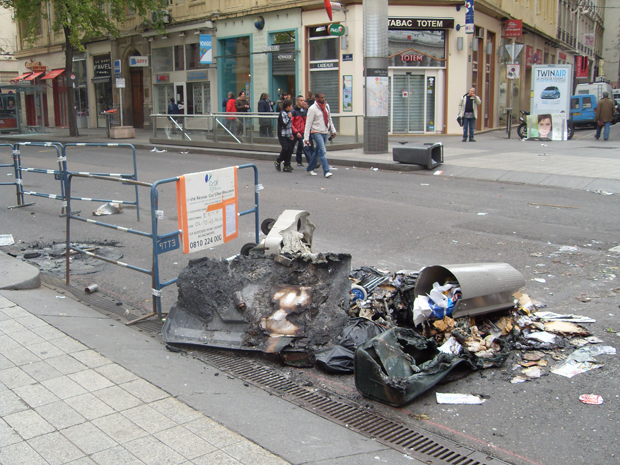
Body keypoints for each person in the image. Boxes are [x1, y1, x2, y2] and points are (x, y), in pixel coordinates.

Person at [303, 92, 337, 178]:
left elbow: (329, 119)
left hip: (325, 131)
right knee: (322, 150)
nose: (323, 99)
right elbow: (308, 124)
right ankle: (326, 171)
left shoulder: (326, 106)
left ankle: (310, 168)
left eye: (324, 97)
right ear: (317, 98)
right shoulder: (312, 109)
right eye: (321, 98)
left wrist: (333, 130)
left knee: (317, 151)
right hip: (316, 132)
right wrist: (306, 138)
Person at [274, 99, 295, 173]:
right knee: (285, 149)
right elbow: (284, 124)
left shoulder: (289, 113)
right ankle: (278, 161)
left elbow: (290, 125)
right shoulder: (282, 114)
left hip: (288, 134)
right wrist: (289, 118)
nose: (292, 107)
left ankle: (287, 164)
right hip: (282, 134)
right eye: (291, 106)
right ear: (288, 107)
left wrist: (291, 133)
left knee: (290, 149)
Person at [291, 95, 310, 166]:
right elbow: (291, 123)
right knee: (291, 148)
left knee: (304, 146)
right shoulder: (294, 111)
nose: (302, 102)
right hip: (295, 132)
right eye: (301, 100)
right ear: (297, 101)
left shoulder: (304, 111)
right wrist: (295, 132)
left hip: (302, 132)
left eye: (303, 100)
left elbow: (305, 122)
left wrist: (305, 131)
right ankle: (287, 162)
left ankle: (309, 162)